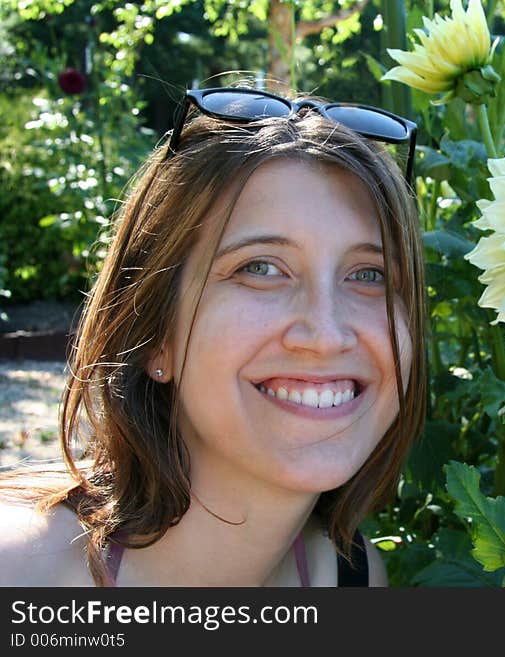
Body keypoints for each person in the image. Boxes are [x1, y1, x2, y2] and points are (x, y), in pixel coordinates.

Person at [0, 86, 426, 587]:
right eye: (261, 268)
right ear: (156, 331)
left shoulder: (350, 577)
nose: (327, 335)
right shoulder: (19, 572)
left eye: (369, 275)